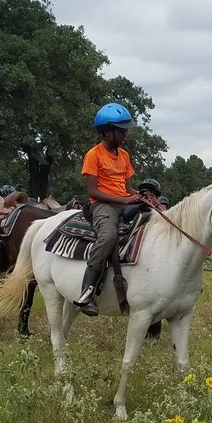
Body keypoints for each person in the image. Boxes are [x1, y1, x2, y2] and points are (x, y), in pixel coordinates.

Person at [75, 102, 142, 316]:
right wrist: (123, 201)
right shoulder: (93, 155)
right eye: (121, 130)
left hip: (122, 201)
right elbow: (93, 192)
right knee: (107, 236)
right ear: (107, 132)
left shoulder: (124, 156)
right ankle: (87, 291)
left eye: (125, 129)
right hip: (103, 205)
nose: (125, 134)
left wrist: (140, 197)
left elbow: (128, 188)